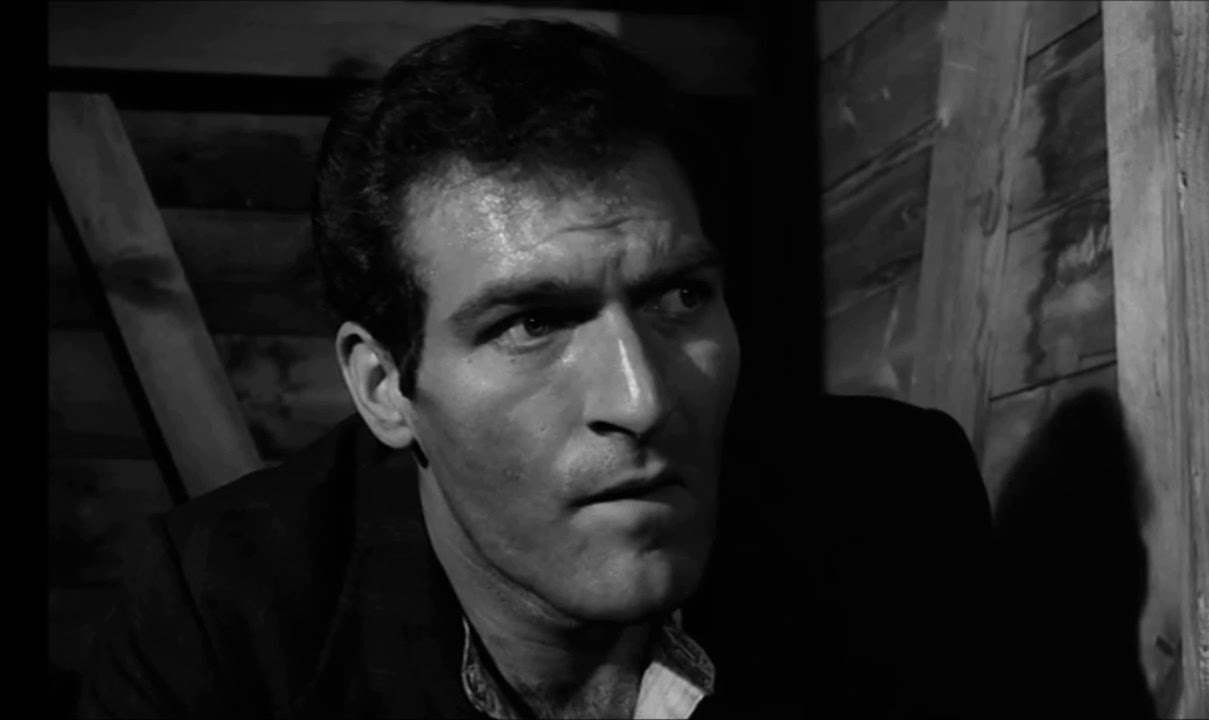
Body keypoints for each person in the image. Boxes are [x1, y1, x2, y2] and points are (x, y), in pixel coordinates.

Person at [76, 19, 993, 719]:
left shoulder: (890, 506)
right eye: (533, 323)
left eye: (680, 297)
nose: (642, 398)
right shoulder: (218, 624)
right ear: (386, 388)